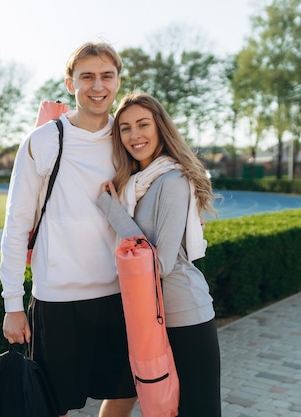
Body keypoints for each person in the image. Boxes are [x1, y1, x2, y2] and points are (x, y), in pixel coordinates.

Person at [0, 41, 138, 417]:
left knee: (128, 389)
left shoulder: (128, 139)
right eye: (87, 76)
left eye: (107, 76)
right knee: (53, 404)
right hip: (57, 298)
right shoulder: (43, 141)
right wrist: (13, 304)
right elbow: (16, 226)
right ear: (69, 82)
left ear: (118, 81)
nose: (97, 86)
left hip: (119, 293)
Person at [96, 92, 222, 417]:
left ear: (159, 127)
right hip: (146, 316)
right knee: (156, 407)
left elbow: (160, 264)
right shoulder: (135, 184)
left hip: (184, 315)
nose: (135, 135)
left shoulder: (173, 179)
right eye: (125, 128)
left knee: (197, 411)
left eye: (142, 124)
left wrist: (111, 210)